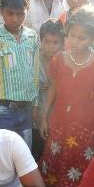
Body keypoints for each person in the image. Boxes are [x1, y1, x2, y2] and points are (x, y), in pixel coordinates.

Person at [39, 6, 94, 187]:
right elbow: (53, 88)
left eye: (82, 37)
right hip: (60, 124)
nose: (75, 41)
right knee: (59, 167)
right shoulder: (58, 60)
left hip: (88, 126)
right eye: (72, 36)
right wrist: (44, 116)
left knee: (82, 170)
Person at [0, 0, 40, 148]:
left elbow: (35, 73)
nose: (15, 18)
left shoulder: (32, 37)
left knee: (25, 157)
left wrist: (35, 104)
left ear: (27, 10)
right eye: (10, 13)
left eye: (20, 13)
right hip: (2, 110)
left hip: (26, 110)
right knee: (3, 156)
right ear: (2, 11)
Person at [32, 18, 64, 160]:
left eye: (55, 42)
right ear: (41, 41)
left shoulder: (66, 61)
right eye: (46, 42)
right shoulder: (33, 58)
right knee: (37, 145)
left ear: (62, 43)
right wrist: (36, 85)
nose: (50, 47)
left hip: (58, 112)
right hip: (36, 110)